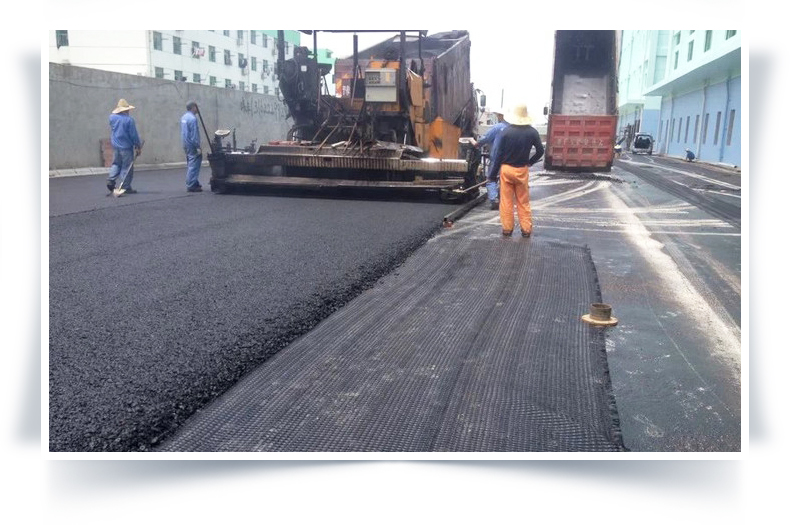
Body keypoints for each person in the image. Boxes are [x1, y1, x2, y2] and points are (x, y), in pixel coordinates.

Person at [489, 104, 544, 238]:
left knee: (506, 201)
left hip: (506, 169)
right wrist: (530, 162)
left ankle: (507, 229)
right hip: (522, 170)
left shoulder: (505, 132)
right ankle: (526, 230)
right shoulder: (532, 132)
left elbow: (498, 155)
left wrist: (492, 174)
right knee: (523, 201)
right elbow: (540, 151)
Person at [473, 109, 507, 210]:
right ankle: (503, 197)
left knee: (491, 179)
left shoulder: (497, 127)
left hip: (497, 158)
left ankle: (494, 199)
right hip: (512, 159)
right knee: (505, 179)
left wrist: (476, 143)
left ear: (501, 116)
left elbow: (485, 139)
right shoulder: (515, 129)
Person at [106, 99, 143, 194]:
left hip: (116, 146)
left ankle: (111, 179)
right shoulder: (129, 120)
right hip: (126, 146)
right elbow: (133, 135)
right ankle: (125, 186)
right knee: (127, 167)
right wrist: (138, 145)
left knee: (116, 164)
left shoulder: (112, 118)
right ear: (125, 110)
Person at [181, 101, 203, 192]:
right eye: (196, 107)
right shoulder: (193, 119)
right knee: (194, 163)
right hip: (192, 144)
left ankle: (194, 181)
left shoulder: (184, 117)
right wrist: (197, 146)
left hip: (185, 143)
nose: (198, 109)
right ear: (193, 107)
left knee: (190, 162)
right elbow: (194, 134)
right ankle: (191, 184)